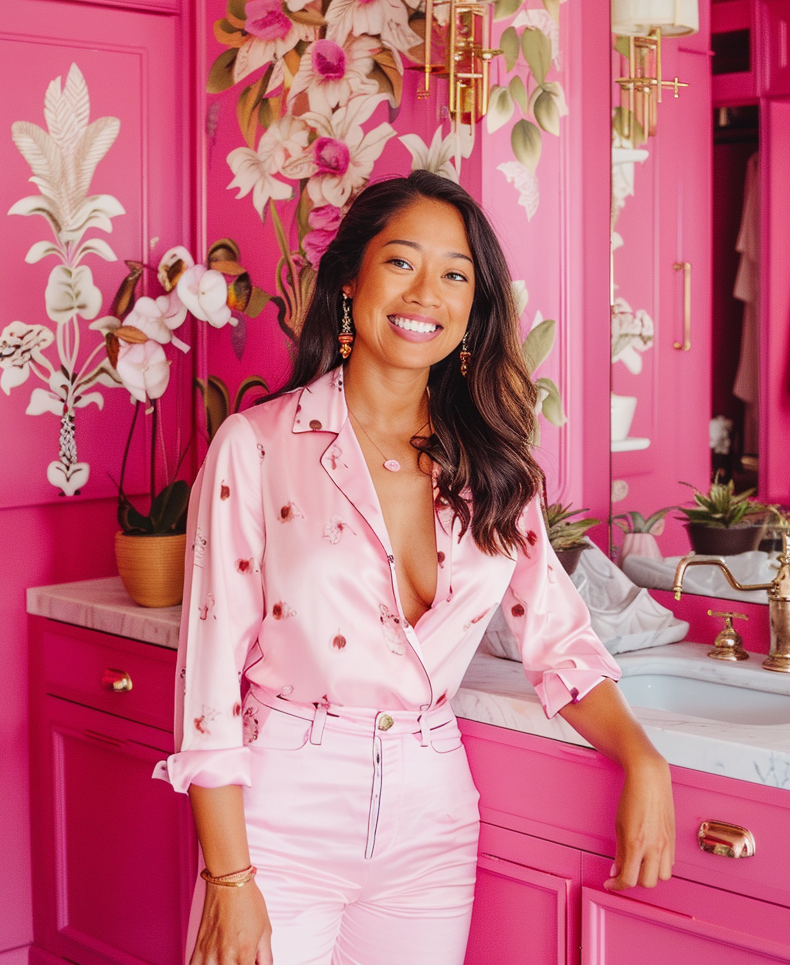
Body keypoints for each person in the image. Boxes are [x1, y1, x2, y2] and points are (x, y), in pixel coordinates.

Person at [153, 171, 675, 965]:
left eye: (455, 274)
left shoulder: (496, 468)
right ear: (351, 281)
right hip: (278, 814)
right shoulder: (256, 446)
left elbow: (559, 644)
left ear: (473, 311)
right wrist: (230, 879)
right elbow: (209, 684)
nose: (426, 291)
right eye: (402, 261)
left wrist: (642, 757)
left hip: (430, 819)